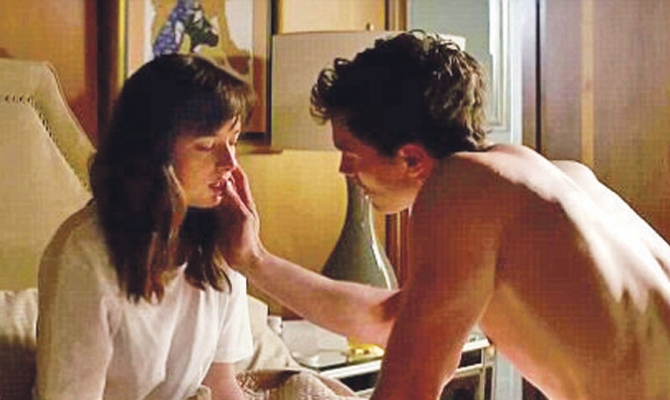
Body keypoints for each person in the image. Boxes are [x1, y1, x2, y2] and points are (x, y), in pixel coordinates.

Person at [217, 31, 670, 399]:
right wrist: (254, 260)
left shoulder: (460, 189)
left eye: (350, 153)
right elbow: (392, 320)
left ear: (412, 158)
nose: (344, 170)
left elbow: (410, 387)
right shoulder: (554, 178)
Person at [35, 53, 256, 399]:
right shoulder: (84, 254)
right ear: (155, 151)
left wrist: (253, 258)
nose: (229, 162)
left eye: (234, 140)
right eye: (207, 145)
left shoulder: (221, 243)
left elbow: (221, 384)